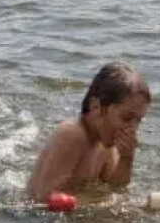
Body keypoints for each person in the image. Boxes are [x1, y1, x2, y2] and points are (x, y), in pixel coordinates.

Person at [27, 61, 151, 202]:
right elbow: (42, 197)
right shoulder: (72, 135)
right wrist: (98, 203)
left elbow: (116, 188)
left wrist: (126, 158)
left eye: (139, 120)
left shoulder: (106, 146)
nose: (133, 129)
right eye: (127, 118)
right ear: (96, 106)